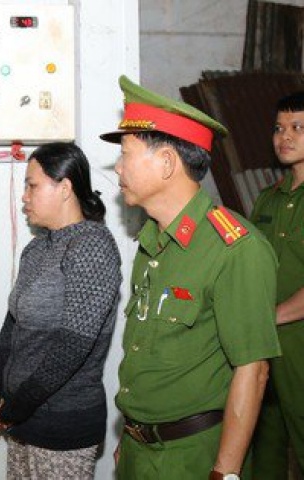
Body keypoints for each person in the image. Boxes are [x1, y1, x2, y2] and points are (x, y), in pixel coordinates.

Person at [99, 75, 281, 480]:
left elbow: (253, 370)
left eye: (126, 155)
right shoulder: (152, 242)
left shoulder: (235, 248)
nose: (118, 167)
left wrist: (226, 472)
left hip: (193, 457)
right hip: (138, 450)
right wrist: (130, 438)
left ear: (166, 163)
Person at [0, 142, 122, 479]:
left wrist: (15, 408)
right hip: (22, 418)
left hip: (61, 426)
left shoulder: (92, 247)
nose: (24, 196)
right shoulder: (37, 248)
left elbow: (73, 347)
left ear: (65, 188)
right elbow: (12, 328)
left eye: (32, 186)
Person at [250, 91, 304, 479]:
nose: (285, 136)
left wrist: (267, 318)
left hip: (298, 345)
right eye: (279, 128)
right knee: (264, 448)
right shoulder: (267, 200)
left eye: (298, 127)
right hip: (265, 348)